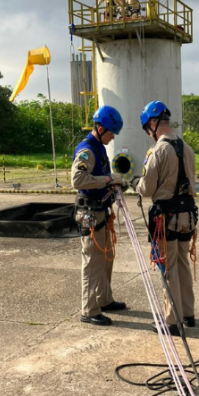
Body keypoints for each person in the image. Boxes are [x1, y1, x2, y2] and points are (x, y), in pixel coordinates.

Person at [132, 101, 198, 337]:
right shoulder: (187, 148)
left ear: (152, 124)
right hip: (187, 217)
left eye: (147, 130)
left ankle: (172, 321)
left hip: (166, 218)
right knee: (182, 264)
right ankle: (188, 314)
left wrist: (135, 184)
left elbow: (147, 189)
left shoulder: (157, 151)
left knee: (168, 268)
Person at [71, 105, 129, 326]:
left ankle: (104, 299)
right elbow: (78, 180)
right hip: (90, 214)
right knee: (93, 262)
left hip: (101, 212)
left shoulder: (99, 147)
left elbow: (101, 175)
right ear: (100, 128)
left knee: (106, 258)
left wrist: (113, 181)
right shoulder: (87, 149)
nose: (113, 136)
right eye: (111, 132)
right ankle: (89, 309)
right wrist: (106, 181)